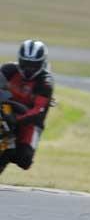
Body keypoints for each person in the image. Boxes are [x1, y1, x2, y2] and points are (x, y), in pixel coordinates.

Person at [0, 40, 54, 175]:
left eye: (34, 65)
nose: (29, 69)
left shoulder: (45, 82)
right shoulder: (8, 69)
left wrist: (16, 119)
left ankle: (9, 151)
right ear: (19, 60)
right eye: (25, 64)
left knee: (24, 159)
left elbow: (38, 111)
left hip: (30, 120)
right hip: (5, 108)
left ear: (42, 63)